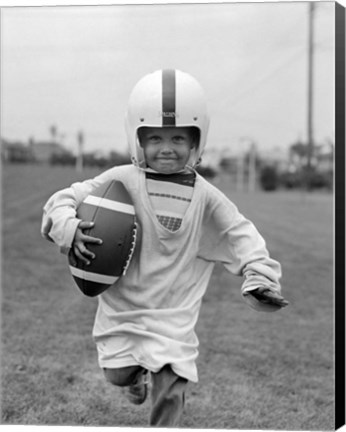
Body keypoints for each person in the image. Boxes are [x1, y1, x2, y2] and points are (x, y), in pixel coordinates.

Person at [41, 69, 289, 427]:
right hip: (124, 311)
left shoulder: (206, 196)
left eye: (178, 138)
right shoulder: (119, 180)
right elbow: (64, 199)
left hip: (174, 315)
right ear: (137, 138)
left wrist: (259, 276)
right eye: (155, 138)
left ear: (196, 142)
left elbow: (240, 233)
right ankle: (133, 378)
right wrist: (69, 228)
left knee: (172, 383)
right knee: (117, 374)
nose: (167, 148)